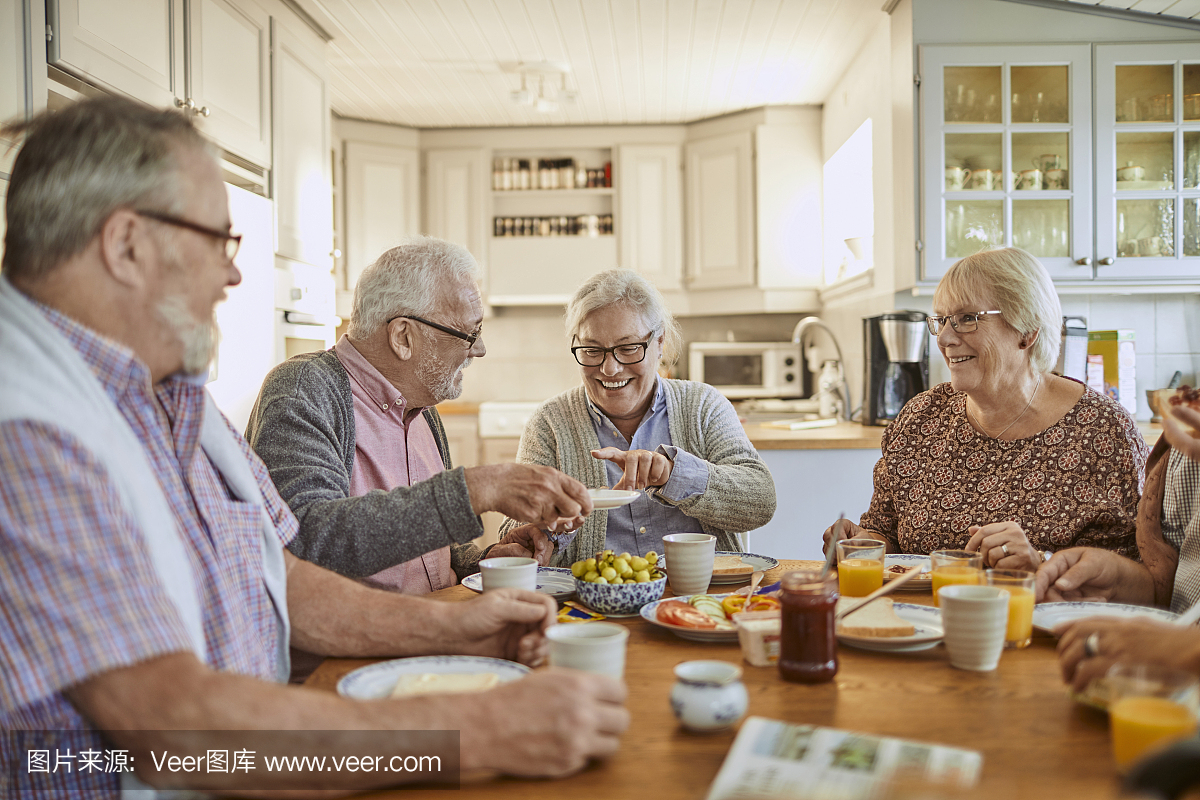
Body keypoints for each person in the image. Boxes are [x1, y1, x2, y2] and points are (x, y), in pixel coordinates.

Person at [0, 96, 626, 796]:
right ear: (126, 245)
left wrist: (456, 630)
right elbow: (172, 729)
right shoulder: (26, 431)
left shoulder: (172, 402)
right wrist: (481, 732)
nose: (232, 275)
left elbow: (280, 577)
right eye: (218, 240)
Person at [246, 237, 592, 597]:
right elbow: (306, 539)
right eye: (469, 334)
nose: (480, 349)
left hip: (432, 635)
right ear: (403, 337)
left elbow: (425, 558)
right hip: (357, 652)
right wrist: (479, 488)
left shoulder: (423, 409)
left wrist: (483, 560)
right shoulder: (305, 389)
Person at [824, 248, 1147, 572]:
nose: (946, 338)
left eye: (968, 319)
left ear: (1027, 331)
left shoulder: (1103, 432)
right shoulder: (920, 418)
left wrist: (1042, 563)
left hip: (1041, 621)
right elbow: (887, 535)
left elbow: (1138, 578)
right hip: (920, 619)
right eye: (941, 320)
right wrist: (861, 544)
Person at [499, 269, 776, 567]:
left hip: (698, 598)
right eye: (592, 350)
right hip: (590, 606)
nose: (610, 369)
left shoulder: (702, 404)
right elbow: (514, 534)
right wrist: (548, 529)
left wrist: (672, 474)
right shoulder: (549, 423)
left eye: (628, 348)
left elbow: (760, 501)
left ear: (659, 343)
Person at [1043, 401, 1200, 691]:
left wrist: (1186, 653)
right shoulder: (1187, 443)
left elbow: (1176, 644)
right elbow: (1181, 592)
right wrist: (1119, 581)